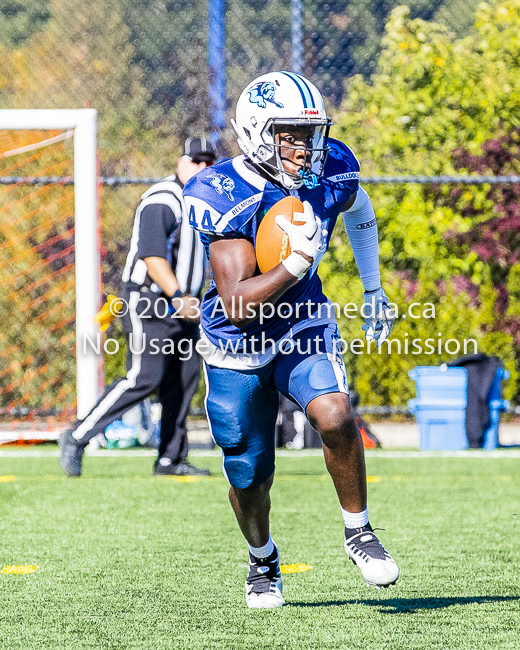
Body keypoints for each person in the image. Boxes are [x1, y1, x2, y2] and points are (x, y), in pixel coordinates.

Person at [183, 72, 399, 608]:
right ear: (257, 132)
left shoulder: (330, 168)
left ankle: (359, 531)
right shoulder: (222, 190)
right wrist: (294, 264)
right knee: (248, 469)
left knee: (334, 413)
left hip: (303, 322)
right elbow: (236, 299)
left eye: (311, 132)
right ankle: (263, 560)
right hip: (237, 337)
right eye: (290, 134)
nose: (306, 147)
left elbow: (361, 209)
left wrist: (373, 289)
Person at [59, 137, 216, 477]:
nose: (202, 168)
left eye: (209, 162)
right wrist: (177, 297)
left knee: (184, 378)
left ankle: (170, 459)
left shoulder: (207, 201)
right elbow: (152, 256)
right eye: (196, 161)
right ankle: (77, 435)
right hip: (151, 300)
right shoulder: (163, 199)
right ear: (181, 162)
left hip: (185, 304)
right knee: (144, 377)